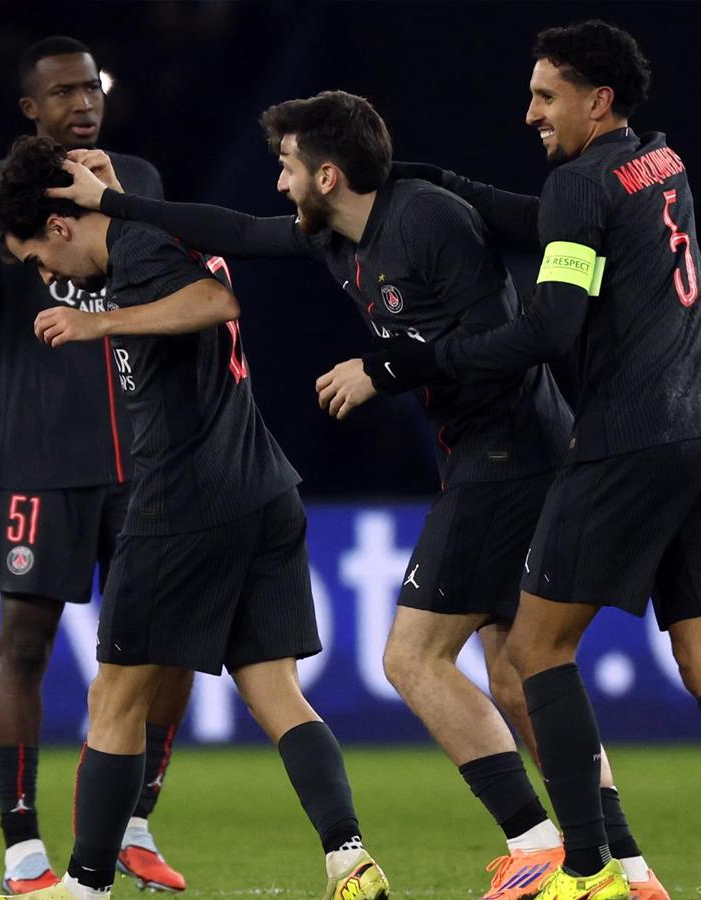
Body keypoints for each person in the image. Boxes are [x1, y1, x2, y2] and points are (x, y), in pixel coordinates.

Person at [47, 91, 667, 900]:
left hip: (511, 451)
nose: (278, 184)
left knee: (412, 659)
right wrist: (115, 199)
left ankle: (538, 845)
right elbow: (231, 232)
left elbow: (505, 344)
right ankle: (628, 867)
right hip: (489, 454)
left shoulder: (429, 221)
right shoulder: (336, 234)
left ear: (328, 173)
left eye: (287, 167)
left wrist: (385, 367)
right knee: (518, 675)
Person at [363, 20, 701, 900]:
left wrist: (421, 360)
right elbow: (565, 225)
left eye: (546, 96)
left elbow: (550, 327)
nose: (530, 113)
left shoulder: (581, 184)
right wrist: (454, 184)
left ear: (598, 100)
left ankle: (583, 870)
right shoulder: (657, 163)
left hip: (633, 441)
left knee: (533, 653)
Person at [0, 134, 390, 900]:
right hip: (262, 488)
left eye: (38, 257)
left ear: (62, 227)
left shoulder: (137, 249)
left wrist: (99, 325)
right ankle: (347, 855)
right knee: (274, 691)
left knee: (115, 698)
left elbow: (215, 302)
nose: (45, 279)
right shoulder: (152, 233)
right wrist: (104, 191)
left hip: (183, 500)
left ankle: (85, 883)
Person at [0, 36, 190, 895]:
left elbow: (174, 278)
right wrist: (0, 207)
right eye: (63, 92)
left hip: (142, 453)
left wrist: (124, 204)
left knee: (165, 645)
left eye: (91, 87)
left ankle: (134, 824)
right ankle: (24, 850)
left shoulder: (135, 173)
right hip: (36, 452)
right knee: (24, 645)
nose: (83, 102)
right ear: (31, 108)